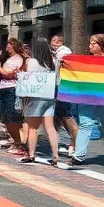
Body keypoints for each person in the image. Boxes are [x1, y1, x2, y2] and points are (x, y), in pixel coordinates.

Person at [69, 34, 104, 170]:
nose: (90, 45)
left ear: (102, 45)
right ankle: (78, 157)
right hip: (87, 99)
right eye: (90, 43)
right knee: (85, 125)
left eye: (93, 43)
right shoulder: (85, 61)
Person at [20, 37, 60, 166]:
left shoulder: (30, 62)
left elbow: (26, 78)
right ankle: (55, 155)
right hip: (49, 96)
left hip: (34, 96)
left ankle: (31, 154)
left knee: (33, 128)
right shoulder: (53, 61)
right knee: (50, 127)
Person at [0, 39, 26, 155]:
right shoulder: (9, 59)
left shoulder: (18, 59)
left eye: (9, 46)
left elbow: (10, 74)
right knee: (7, 117)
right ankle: (16, 141)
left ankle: (19, 142)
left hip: (12, 89)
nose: (7, 48)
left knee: (12, 117)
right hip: (5, 89)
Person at [50, 35, 79, 149]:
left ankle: (74, 142)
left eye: (54, 40)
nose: (52, 42)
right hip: (57, 85)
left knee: (66, 114)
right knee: (61, 113)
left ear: (60, 42)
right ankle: (71, 140)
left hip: (62, 86)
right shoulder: (56, 53)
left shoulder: (64, 52)